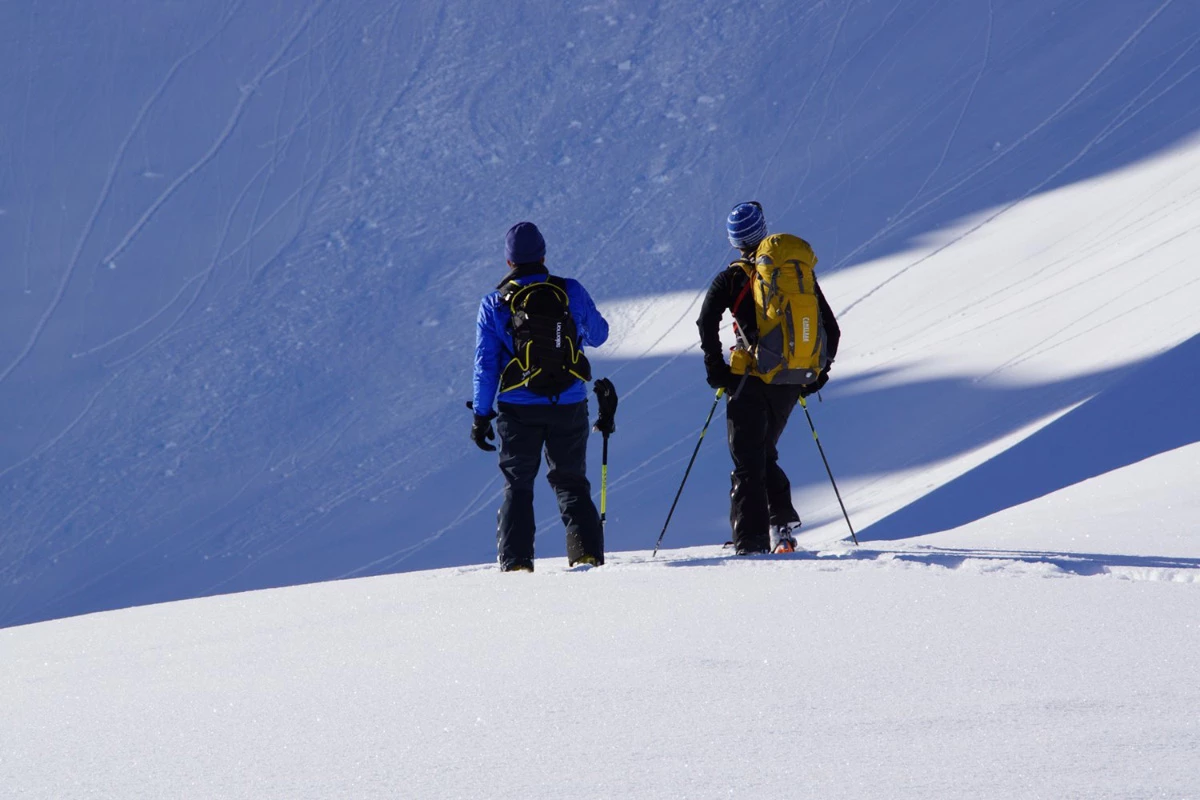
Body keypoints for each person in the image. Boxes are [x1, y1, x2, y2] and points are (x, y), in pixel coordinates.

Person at [695, 202, 841, 555]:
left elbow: (705, 322)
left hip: (748, 379)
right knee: (764, 453)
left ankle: (751, 542)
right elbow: (831, 330)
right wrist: (815, 374)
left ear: (734, 240)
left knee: (748, 460)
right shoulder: (798, 274)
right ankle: (782, 530)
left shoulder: (730, 278)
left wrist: (716, 369)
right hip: (791, 380)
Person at [471, 221, 610, 572]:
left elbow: (486, 366)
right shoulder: (570, 291)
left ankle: (516, 564)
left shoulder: (493, 304)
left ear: (508, 263)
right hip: (569, 402)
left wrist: (481, 415)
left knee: (518, 486)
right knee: (571, 482)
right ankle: (587, 556)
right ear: (544, 255)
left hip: (517, 408)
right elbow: (600, 335)